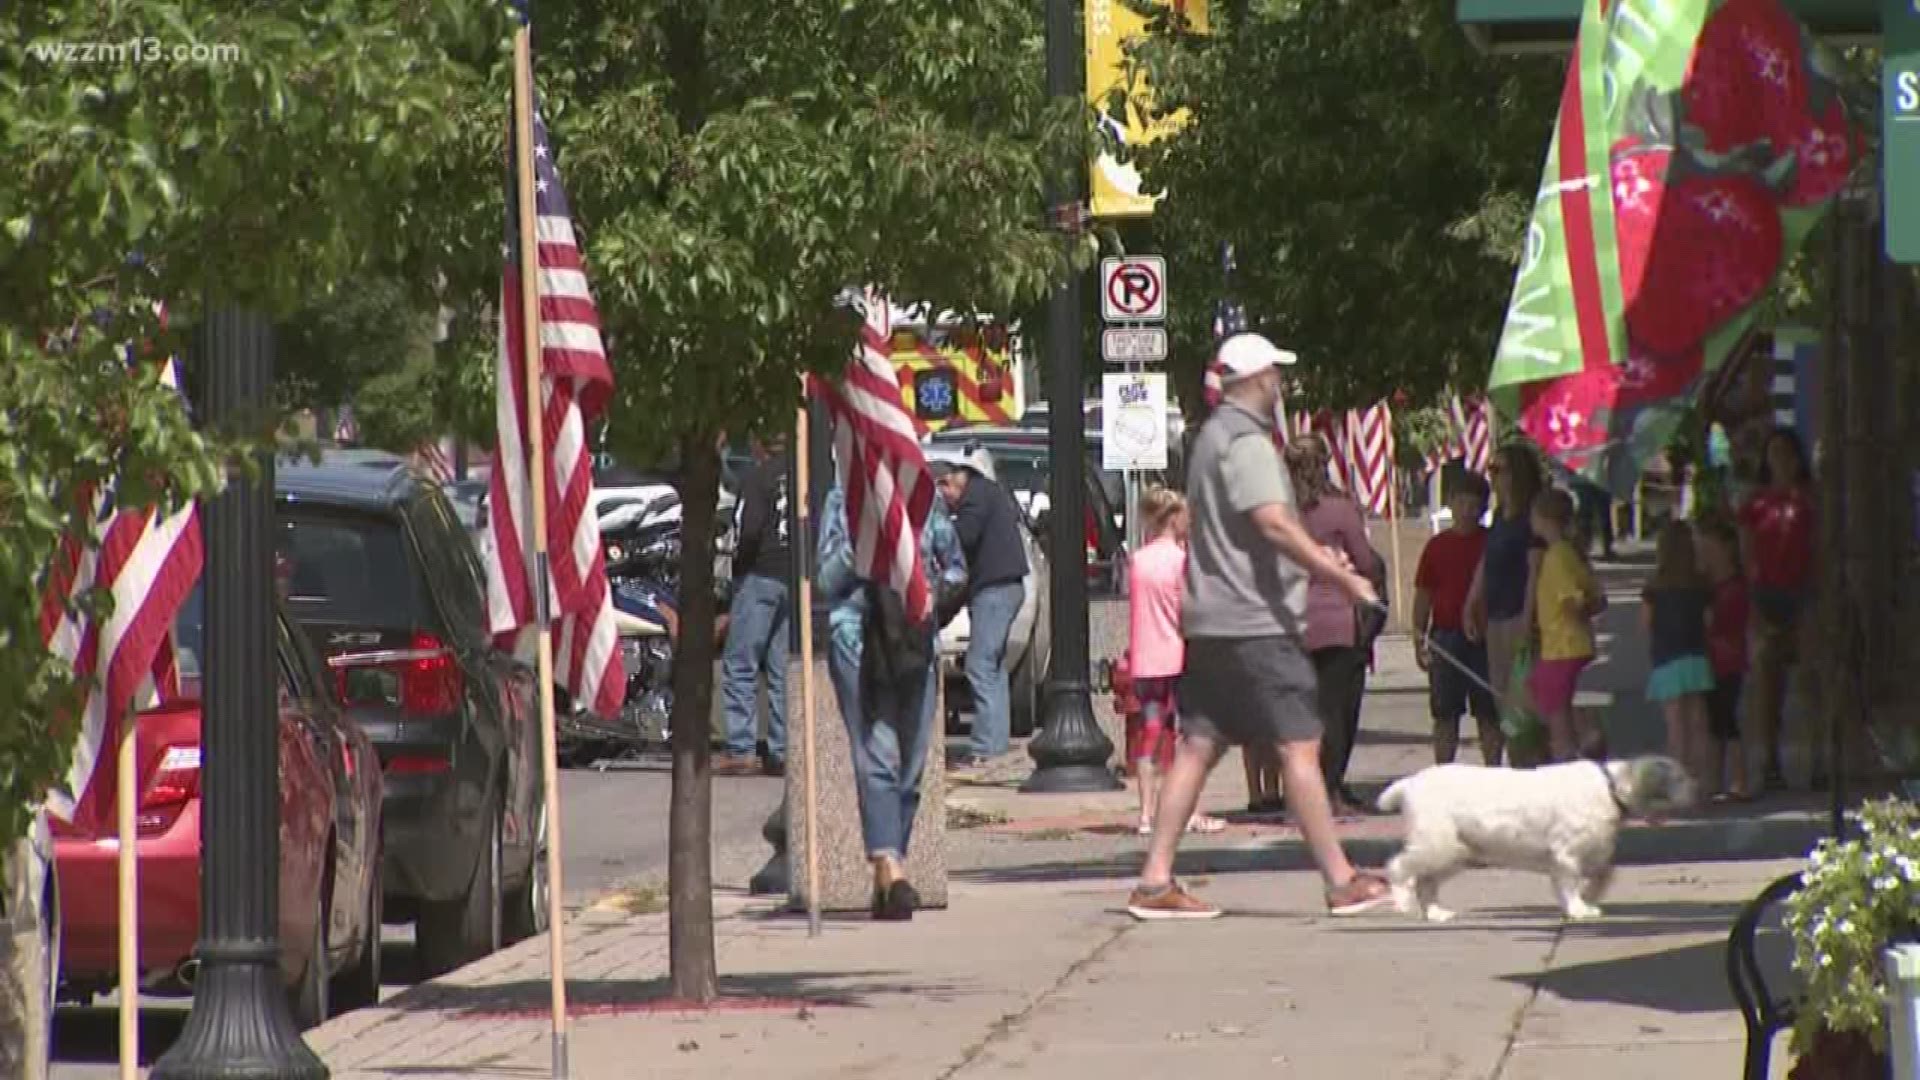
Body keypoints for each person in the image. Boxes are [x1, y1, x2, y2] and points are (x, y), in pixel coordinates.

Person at [1127, 333, 1390, 921]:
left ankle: (1154, 879)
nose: (1282, 384)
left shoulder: (1210, 440)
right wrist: (1338, 574)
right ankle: (1341, 879)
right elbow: (1272, 522)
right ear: (1255, 379)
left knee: (1198, 746)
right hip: (1256, 621)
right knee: (1300, 744)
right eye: (1275, 374)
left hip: (1213, 619)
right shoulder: (1246, 444)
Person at [816, 480, 968, 921]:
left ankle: (888, 874)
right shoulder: (842, 498)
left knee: (912, 764)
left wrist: (926, 596)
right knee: (878, 754)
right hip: (859, 641)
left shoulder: (926, 501)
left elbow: (956, 568)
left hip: (915, 640)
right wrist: (866, 547)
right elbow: (826, 580)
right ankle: (893, 868)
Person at [1285, 433, 1380, 817]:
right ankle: (1330, 790)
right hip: (1338, 619)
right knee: (1338, 710)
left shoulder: (1279, 512)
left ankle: (1302, 795)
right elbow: (1367, 561)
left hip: (1290, 620)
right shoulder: (1340, 509)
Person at [1126, 487, 1226, 836]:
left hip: (1145, 657)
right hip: (1180, 657)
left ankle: (1146, 814)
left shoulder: (1138, 560)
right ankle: (1191, 812)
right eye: (1184, 515)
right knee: (1190, 740)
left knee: (1150, 734)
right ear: (1172, 519)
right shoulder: (1182, 563)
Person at [937, 457, 1030, 772]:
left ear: (950, 482)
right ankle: (996, 745)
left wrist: (939, 531)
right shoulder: (987, 492)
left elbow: (962, 537)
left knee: (980, 665)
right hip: (1003, 588)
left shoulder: (976, 497)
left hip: (996, 590)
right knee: (993, 668)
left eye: (943, 493)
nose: (946, 503)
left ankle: (986, 749)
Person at [1737, 427, 1817, 792]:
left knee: (1813, 681)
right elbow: (1746, 554)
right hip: (1766, 596)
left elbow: (1822, 546)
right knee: (1768, 687)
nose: (1780, 459)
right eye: (1773, 451)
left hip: (1805, 594)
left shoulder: (1810, 499)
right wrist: (1751, 604)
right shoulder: (1755, 503)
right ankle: (1769, 763)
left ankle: (1819, 761)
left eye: (1786, 451)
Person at [1413, 472, 1502, 767]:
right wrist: (1419, 636)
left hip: (1486, 637)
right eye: (1460, 501)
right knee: (1445, 712)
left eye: (1474, 502)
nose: (1467, 508)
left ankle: (1493, 771)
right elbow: (1424, 593)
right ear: (1450, 504)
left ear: (1484, 506)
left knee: (1488, 712)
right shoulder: (1437, 546)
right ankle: (1444, 771)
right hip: (1446, 636)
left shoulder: (1492, 543)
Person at [1466, 445, 1546, 762]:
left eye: (1499, 470)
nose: (1493, 477)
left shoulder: (1531, 517)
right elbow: (1487, 560)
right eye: (1491, 470)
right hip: (1495, 616)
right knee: (1502, 699)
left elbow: (1535, 570)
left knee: (1525, 701)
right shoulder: (1500, 515)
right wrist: (1473, 599)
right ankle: (1518, 762)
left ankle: (1535, 762)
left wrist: (1529, 617)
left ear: (1518, 474)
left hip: (1520, 615)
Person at [719, 437, 793, 777]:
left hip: (760, 572)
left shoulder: (757, 478)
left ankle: (741, 748)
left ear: (760, 446)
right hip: (792, 575)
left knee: (740, 663)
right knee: (781, 669)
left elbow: (748, 531)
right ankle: (782, 749)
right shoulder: (800, 474)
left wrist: (739, 569)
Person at [1527, 488, 1605, 763]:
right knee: (1539, 689)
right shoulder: (1569, 553)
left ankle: (1570, 749)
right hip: (1565, 643)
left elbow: (1572, 599)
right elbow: (1597, 596)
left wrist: (1573, 612)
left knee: (1554, 707)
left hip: (1562, 644)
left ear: (1544, 518)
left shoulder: (1556, 557)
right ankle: (1582, 727)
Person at [1642, 521, 1715, 784]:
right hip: (1696, 657)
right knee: (1698, 723)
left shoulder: (1655, 585)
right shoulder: (1701, 582)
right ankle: (1702, 781)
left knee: (1675, 726)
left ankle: (1678, 782)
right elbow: (1709, 620)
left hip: (1666, 659)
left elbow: (1646, 622)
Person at [1697, 516, 1751, 801]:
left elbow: (1722, 622)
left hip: (1728, 660)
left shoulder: (1734, 586)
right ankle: (1715, 780)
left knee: (1726, 719)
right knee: (1714, 722)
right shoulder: (1708, 583)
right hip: (1709, 660)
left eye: (1709, 548)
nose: (1704, 554)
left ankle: (1740, 779)